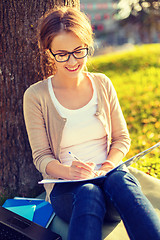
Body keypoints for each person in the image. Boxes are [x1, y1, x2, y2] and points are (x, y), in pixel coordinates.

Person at [23, 6, 160, 240]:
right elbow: (42, 157)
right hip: (68, 191)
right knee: (87, 192)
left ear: (88, 45)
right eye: (62, 53)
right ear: (49, 52)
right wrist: (68, 172)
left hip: (110, 181)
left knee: (121, 180)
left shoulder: (103, 84)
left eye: (78, 51)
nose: (72, 61)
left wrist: (108, 165)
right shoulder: (36, 96)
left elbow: (122, 139)